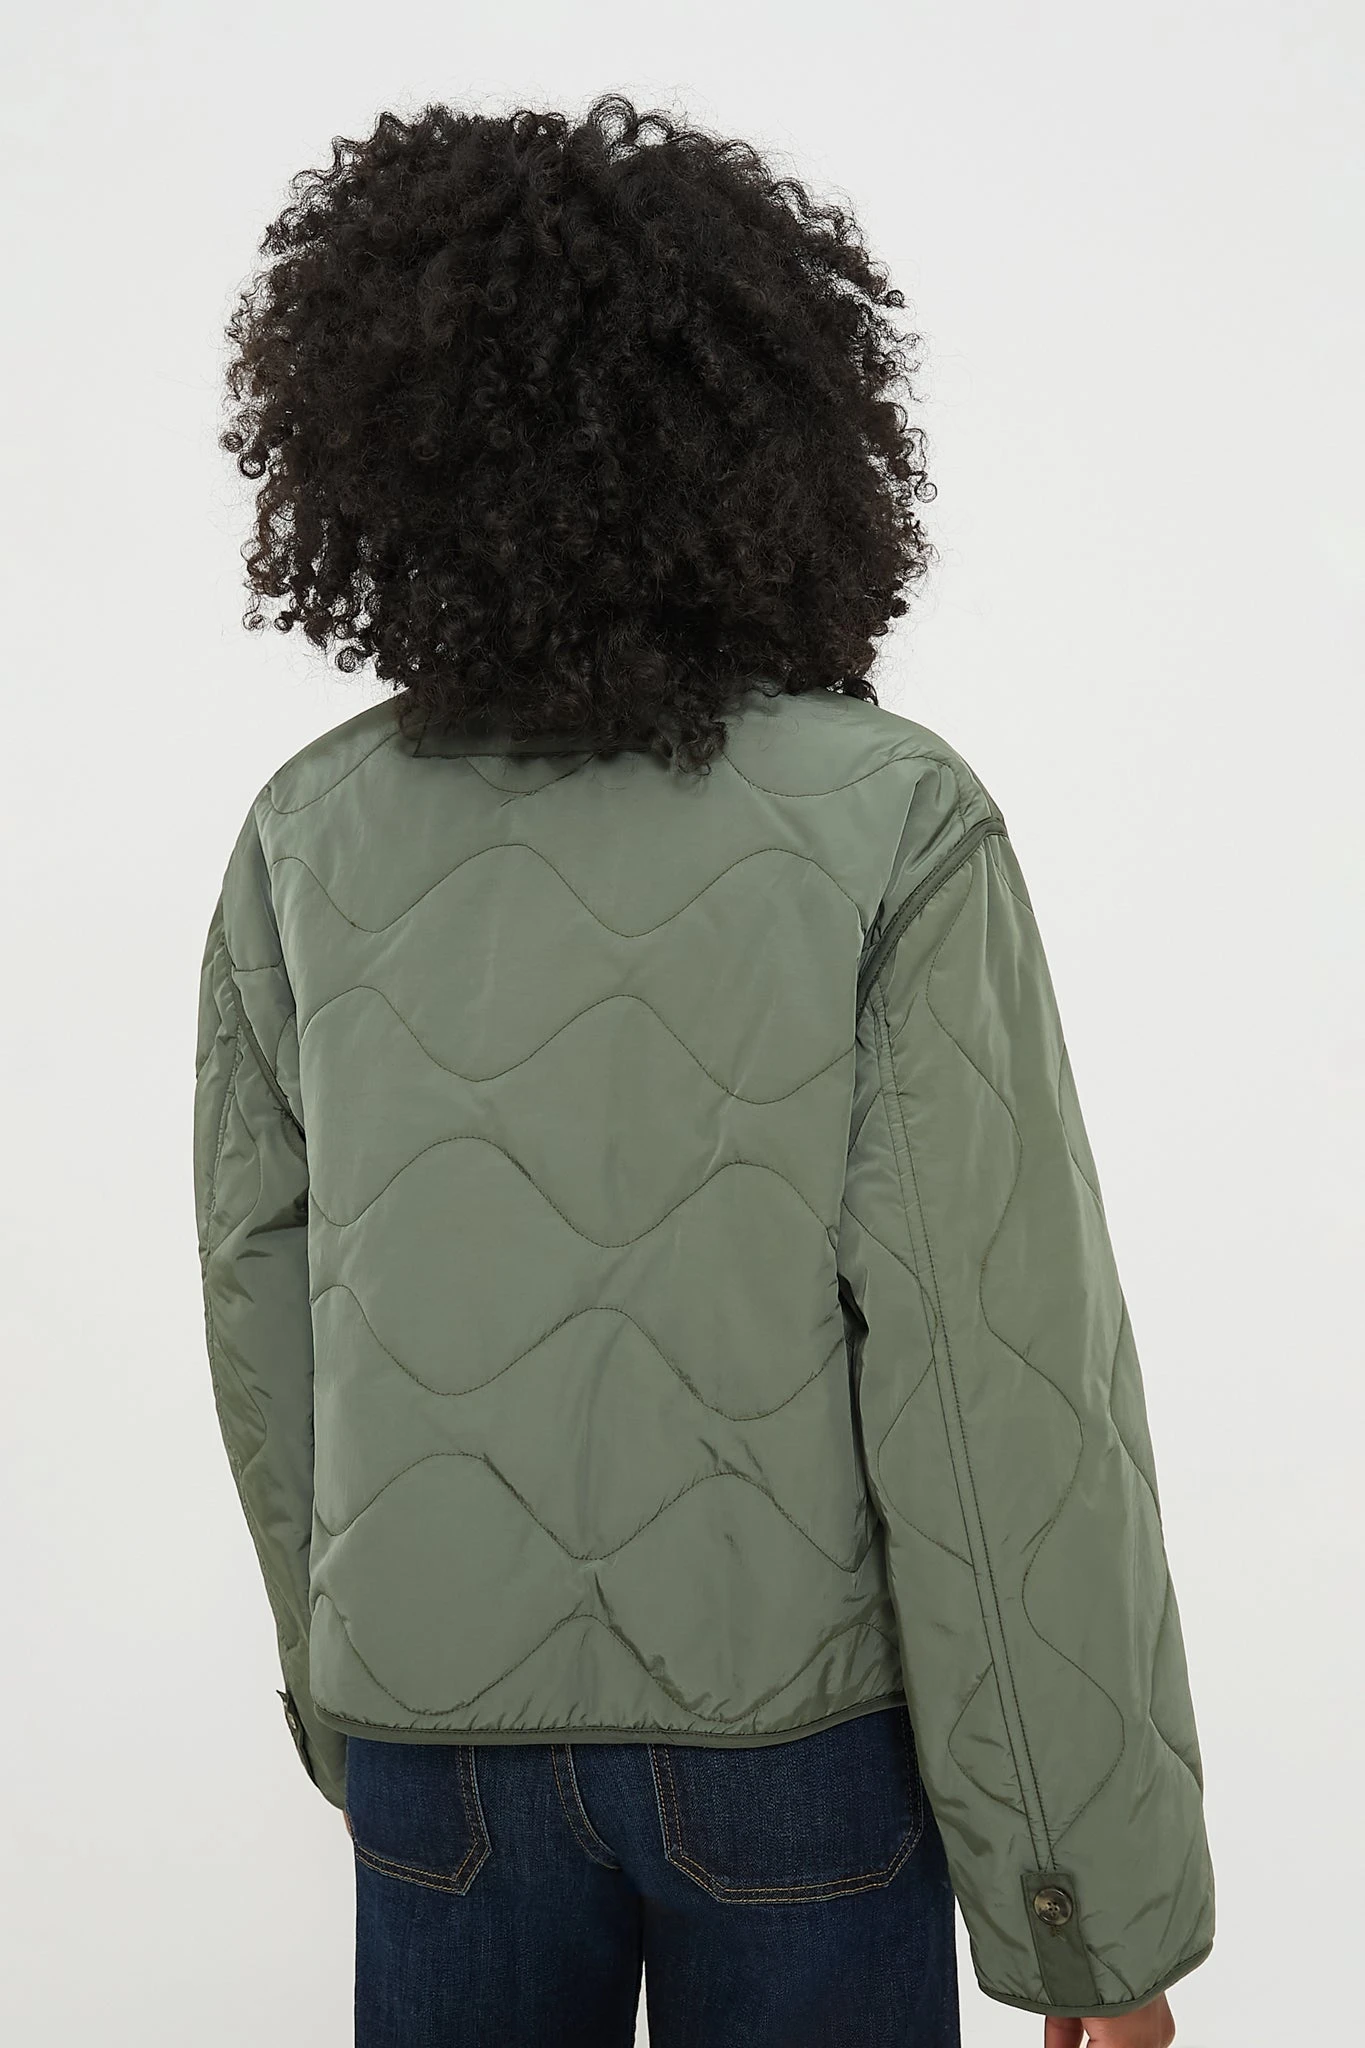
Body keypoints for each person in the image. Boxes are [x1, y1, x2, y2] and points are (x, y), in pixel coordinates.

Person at [193, 93, 1213, 2048]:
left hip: (439, 1753)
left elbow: (266, 1318)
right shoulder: (890, 818)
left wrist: (358, 1699)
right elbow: (992, 1380)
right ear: (786, 439)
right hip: (793, 1754)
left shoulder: (307, 834)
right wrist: (1082, 1894)